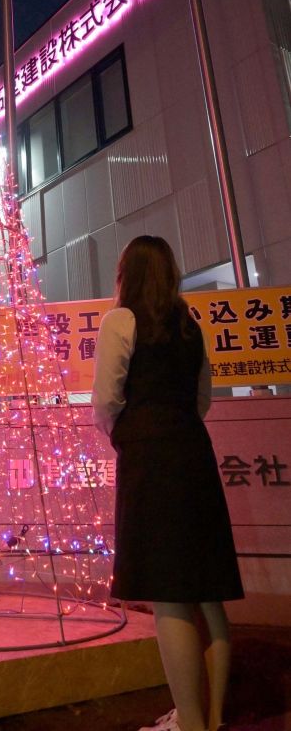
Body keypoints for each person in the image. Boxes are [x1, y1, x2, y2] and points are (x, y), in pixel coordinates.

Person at [91, 236, 243, 731]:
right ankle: (212, 718)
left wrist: (129, 433)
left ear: (127, 274)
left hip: (151, 458)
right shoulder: (189, 326)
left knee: (169, 594)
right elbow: (203, 399)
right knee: (207, 591)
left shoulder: (121, 320)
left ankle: (190, 724)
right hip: (193, 453)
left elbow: (106, 401)